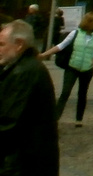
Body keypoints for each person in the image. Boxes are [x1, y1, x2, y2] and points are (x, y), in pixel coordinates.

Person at [0, 19, 58, 175]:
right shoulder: (20, 67)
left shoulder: (25, 72)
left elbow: (8, 123)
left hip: (22, 164)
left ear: (19, 44)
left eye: (1, 45)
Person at [41, 12, 93, 128]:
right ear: (88, 22)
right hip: (73, 66)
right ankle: (55, 118)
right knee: (65, 92)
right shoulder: (75, 33)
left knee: (82, 93)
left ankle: (79, 119)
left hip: (87, 69)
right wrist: (44, 55)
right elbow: (61, 46)